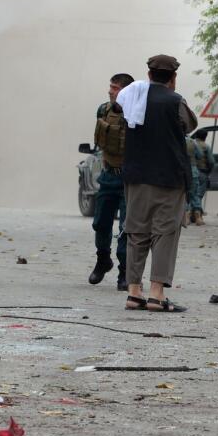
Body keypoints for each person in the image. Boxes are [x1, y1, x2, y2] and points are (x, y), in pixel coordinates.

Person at [116, 54, 197, 313]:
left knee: (136, 232)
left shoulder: (131, 98)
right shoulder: (175, 101)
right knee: (164, 233)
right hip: (169, 179)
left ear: (149, 74)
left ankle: (133, 293)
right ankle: (156, 295)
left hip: (136, 177)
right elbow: (190, 125)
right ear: (173, 78)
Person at [89, 73, 134, 289]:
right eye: (110, 86)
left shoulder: (137, 113)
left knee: (127, 227)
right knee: (101, 223)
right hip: (108, 175)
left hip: (129, 179)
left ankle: (124, 273)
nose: (110, 91)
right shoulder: (103, 110)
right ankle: (102, 260)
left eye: (115, 88)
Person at [186, 129, 215, 225]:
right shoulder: (205, 146)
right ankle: (198, 217)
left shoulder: (184, 141)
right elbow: (211, 161)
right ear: (205, 137)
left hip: (186, 171)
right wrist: (208, 172)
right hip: (201, 172)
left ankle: (188, 216)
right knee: (197, 195)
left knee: (188, 194)